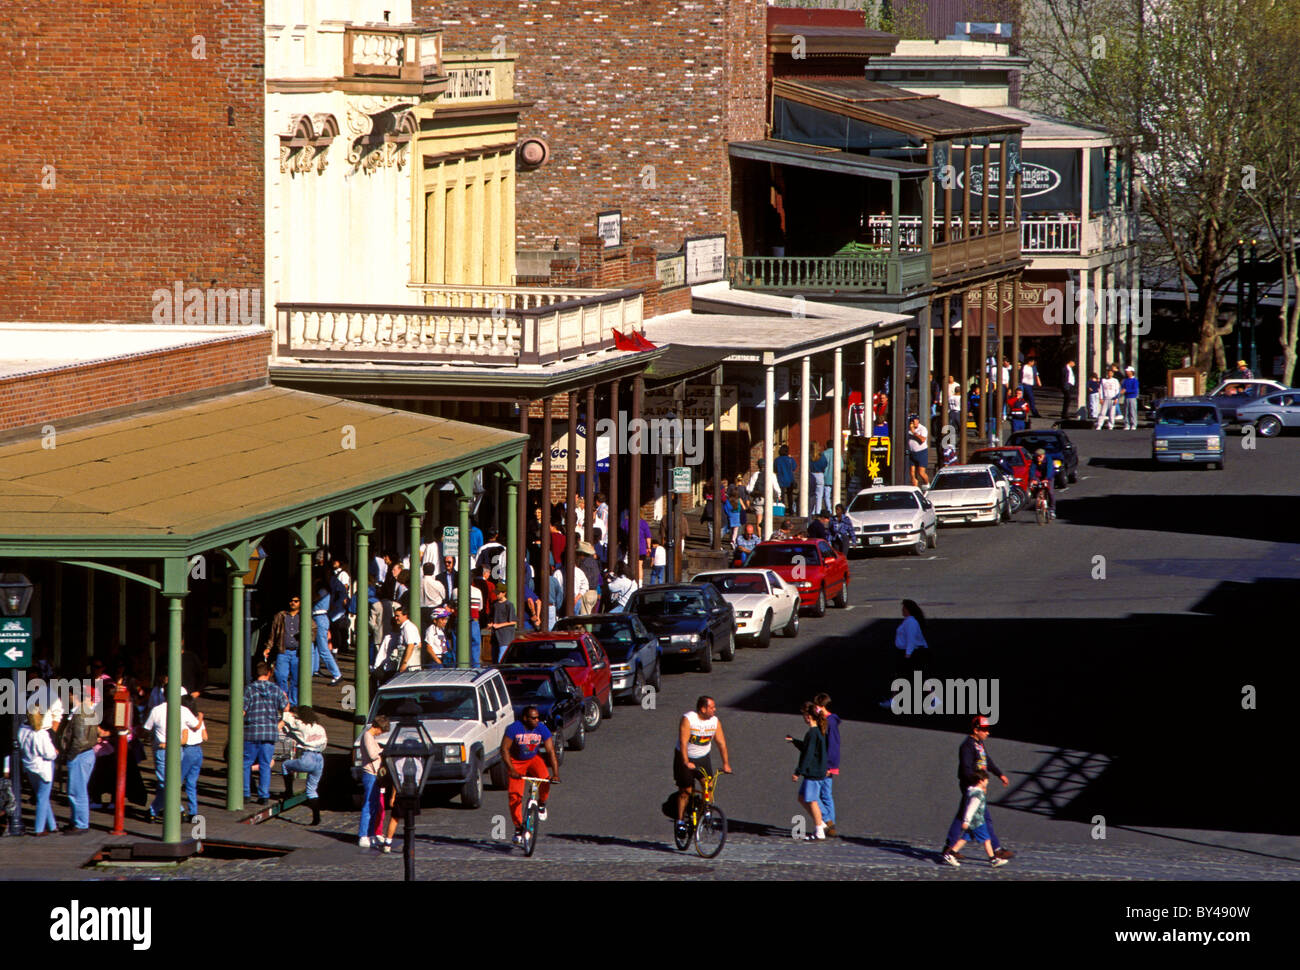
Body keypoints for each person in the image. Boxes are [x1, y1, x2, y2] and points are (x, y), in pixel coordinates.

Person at [944, 716, 1014, 861]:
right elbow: (965, 769)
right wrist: (978, 784)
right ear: (976, 730)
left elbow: (987, 761)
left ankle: (950, 846)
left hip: (977, 785)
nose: (987, 733)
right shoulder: (967, 746)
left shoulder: (979, 744)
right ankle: (996, 850)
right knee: (983, 817)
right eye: (985, 730)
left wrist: (999, 774)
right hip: (971, 785)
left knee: (964, 815)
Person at [501, 706, 561, 846]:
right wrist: (512, 770)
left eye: (537, 717)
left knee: (545, 779)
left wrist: (556, 774)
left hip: (533, 759)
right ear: (525, 718)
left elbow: (551, 751)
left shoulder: (541, 728)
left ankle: (541, 804)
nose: (536, 720)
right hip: (516, 761)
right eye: (533, 718)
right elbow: (504, 749)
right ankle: (518, 829)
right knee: (515, 796)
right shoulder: (513, 728)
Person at [673, 696, 732, 841]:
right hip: (685, 757)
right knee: (686, 791)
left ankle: (705, 811)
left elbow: (721, 743)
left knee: (708, 786)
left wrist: (726, 764)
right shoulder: (689, 719)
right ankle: (680, 821)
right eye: (711, 707)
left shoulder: (714, 722)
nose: (714, 710)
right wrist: (686, 762)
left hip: (703, 757)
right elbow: (683, 742)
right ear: (703, 709)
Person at [142, 689, 201, 823]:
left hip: (162, 748)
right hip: (178, 749)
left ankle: (158, 810)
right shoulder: (184, 711)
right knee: (171, 781)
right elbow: (196, 726)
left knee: (165, 782)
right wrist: (200, 716)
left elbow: (147, 728)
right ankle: (172, 810)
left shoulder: (157, 710)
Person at [61, 689, 108, 834]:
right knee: (77, 789)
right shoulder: (86, 711)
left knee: (77, 791)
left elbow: (79, 740)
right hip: (85, 753)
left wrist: (71, 755)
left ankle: (80, 823)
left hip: (79, 754)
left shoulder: (81, 713)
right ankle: (77, 821)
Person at [243, 662, 290, 805]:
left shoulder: (249, 690)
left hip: (252, 731)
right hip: (269, 732)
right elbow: (286, 708)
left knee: (245, 763)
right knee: (265, 764)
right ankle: (263, 795)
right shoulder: (276, 690)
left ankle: (245, 793)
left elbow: (242, 711)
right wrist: (280, 723)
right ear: (268, 673)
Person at [942, 770, 1007, 867]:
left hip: (974, 821)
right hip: (977, 822)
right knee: (987, 840)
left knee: (965, 839)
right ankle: (993, 860)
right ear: (981, 781)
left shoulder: (973, 791)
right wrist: (966, 821)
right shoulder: (977, 794)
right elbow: (971, 808)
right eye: (986, 780)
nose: (987, 782)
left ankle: (950, 854)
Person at [787, 701, 829, 841]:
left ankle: (819, 830)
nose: (803, 718)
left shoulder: (812, 733)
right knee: (802, 798)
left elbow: (808, 754)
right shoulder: (819, 732)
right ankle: (820, 823)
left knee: (811, 800)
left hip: (814, 772)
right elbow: (808, 748)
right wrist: (794, 741)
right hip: (817, 770)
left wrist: (798, 772)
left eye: (804, 715)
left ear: (808, 716)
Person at [280, 706, 328, 825]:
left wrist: (288, 711)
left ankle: (289, 791)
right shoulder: (320, 728)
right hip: (320, 759)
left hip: (308, 757)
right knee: (312, 790)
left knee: (285, 765)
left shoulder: (301, 725)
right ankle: (316, 818)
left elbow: (286, 717)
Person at [881, 599, 928, 708]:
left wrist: (907, 655)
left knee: (900, 677)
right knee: (914, 677)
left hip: (912, 653)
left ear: (907, 609)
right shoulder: (909, 620)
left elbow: (911, 640)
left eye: (903, 608)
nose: (902, 610)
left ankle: (893, 701)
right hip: (910, 652)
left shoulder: (911, 622)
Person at [19, 709, 59, 835]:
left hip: (29, 766)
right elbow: (49, 754)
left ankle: (52, 825)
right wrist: (56, 753)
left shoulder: (22, 730)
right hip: (43, 768)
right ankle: (39, 828)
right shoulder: (41, 734)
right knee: (43, 797)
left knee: (42, 796)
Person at [264, 595, 307, 707]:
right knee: (280, 676)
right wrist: (268, 647)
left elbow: (313, 629)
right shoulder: (280, 616)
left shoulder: (304, 616)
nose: (293, 603)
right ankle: (284, 700)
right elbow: (273, 633)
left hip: (297, 652)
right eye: (291, 601)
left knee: (296, 679)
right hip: (283, 650)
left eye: (296, 601)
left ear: (300, 603)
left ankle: (293, 702)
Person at [357, 714, 389, 848]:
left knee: (374, 805)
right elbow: (372, 754)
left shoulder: (370, 737)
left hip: (374, 774)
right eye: (381, 730)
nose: (380, 733)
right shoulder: (367, 737)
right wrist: (381, 750)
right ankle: (363, 834)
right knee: (369, 804)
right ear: (377, 727)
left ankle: (370, 834)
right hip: (370, 773)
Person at [813, 693, 841, 838]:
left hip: (826, 764)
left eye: (816, 706)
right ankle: (831, 826)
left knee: (814, 795)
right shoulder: (829, 720)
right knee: (826, 794)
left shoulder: (830, 722)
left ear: (822, 706)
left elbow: (833, 745)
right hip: (828, 764)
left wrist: (829, 766)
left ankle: (828, 820)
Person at [311, 585, 342, 685]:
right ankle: (314, 669)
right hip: (316, 618)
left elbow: (313, 598)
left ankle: (336, 674)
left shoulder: (323, 590)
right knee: (314, 647)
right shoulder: (324, 591)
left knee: (323, 649)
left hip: (320, 617)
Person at [328, 557, 353, 657]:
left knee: (339, 625)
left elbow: (345, 587)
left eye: (336, 560)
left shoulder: (343, 574)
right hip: (335, 603)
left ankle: (342, 645)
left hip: (340, 604)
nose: (334, 562)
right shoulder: (333, 574)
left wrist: (342, 601)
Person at [487, 586, 518, 661]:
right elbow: (492, 618)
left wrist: (499, 625)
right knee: (494, 658)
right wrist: (491, 624)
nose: (497, 594)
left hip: (505, 636)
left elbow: (513, 621)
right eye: (496, 593)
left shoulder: (509, 605)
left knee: (501, 659)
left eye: (499, 593)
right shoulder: (494, 604)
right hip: (495, 636)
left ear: (504, 593)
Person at [1028, 448, 1056, 518]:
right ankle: (1039, 500)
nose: (1038, 458)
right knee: (1035, 487)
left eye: (1040, 456)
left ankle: (1052, 510)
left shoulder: (1048, 459)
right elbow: (1032, 470)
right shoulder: (1035, 460)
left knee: (1050, 492)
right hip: (1039, 476)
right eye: (1037, 456)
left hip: (1048, 477)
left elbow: (1050, 469)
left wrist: (1047, 479)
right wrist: (1033, 479)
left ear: (1044, 455)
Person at [905, 416, 930, 488]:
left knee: (921, 472)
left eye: (915, 421)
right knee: (912, 474)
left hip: (921, 452)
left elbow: (922, 440)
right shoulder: (908, 429)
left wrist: (914, 432)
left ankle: (927, 484)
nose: (913, 423)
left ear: (918, 421)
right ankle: (915, 487)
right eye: (912, 421)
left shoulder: (922, 429)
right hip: (912, 452)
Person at [774, 444, 797, 510]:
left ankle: (782, 508)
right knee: (790, 495)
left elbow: (775, 469)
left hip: (781, 479)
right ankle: (790, 509)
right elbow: (794, 467)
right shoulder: (790, 459)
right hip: (790, 479)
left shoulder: (777, 460)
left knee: (781, 495)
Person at [808, 441, 827, 516]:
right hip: (820, 475)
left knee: (811, 494)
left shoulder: (809, 456)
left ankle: (811, 510)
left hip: (812, 475)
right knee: (819, 495)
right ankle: (818, 511)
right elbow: (825, 464)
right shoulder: (822, 456)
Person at [1121, 365, 1140, 430]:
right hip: (1126, 397)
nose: (1127, 372)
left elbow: (1135, 390)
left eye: (1128, 371)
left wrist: (1126, 390)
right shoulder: (1125, 380)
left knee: (1132, 411)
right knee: (1126, 412)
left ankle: (1133, 424)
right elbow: (1122, 387)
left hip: (1132, 397)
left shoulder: (1135, 380)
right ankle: (1127, 424)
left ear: (1131, 372)